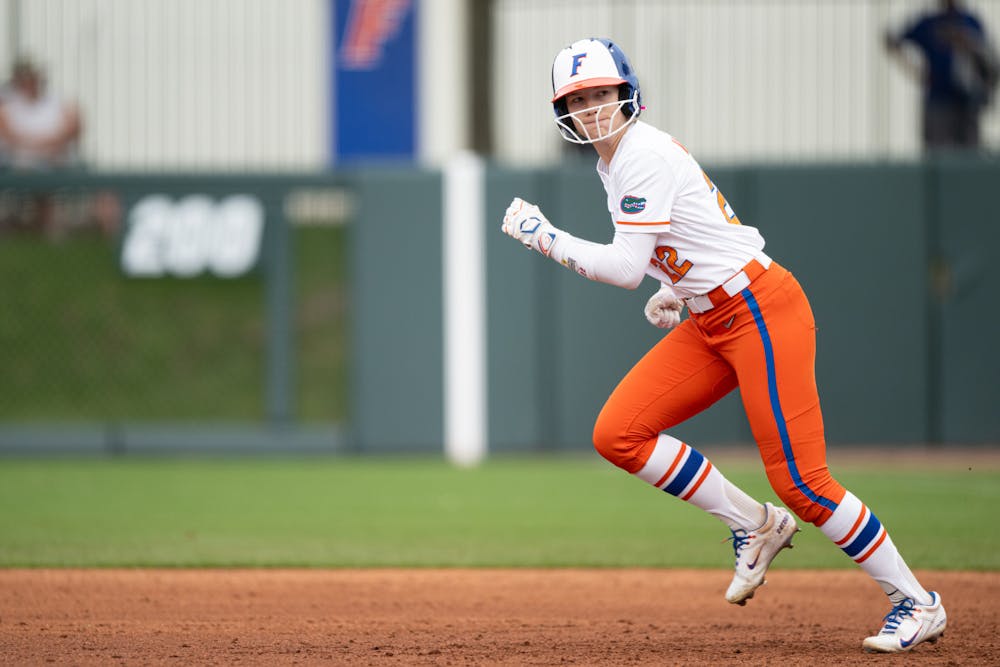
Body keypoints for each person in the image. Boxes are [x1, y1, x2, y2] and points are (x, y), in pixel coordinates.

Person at [500, 37, 947, 654]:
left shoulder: (641, 154)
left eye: (602, 93)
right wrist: (677, 287)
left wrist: (542, 236)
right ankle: (754, 525)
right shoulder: (618, 159)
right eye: (579, 98)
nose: (594, 106)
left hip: (759, 310)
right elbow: (694, 234)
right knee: (619, 434)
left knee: (802, 481)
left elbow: (623, 267)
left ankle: (917, 602)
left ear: (626, 93)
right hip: (714, 315)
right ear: (564, 112)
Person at [886, 0, 998, 151]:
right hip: (938, 103)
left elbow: (987, 59)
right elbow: (892, 40)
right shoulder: (929, 24)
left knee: (970, 156)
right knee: (938, 155)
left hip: (967, 103)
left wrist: (966, 42)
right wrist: (914, 71)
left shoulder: (970, 21)